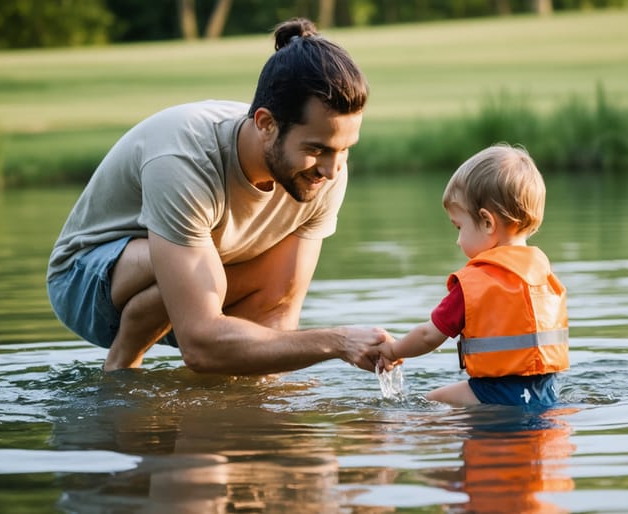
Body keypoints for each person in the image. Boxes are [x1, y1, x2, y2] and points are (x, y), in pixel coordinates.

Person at [47, 18, 390, 374]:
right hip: (86, 285)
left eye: (345, 149)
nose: (333, 169)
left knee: (247, 314)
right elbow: (200, 346)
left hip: (199, 278)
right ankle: (122, 368)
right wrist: (337, 343)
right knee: (207, 272)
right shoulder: (183, 157)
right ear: (265, 124)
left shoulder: (323, 173)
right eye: (318, 149)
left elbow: (278, 310)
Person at [377, 145, 569, 407]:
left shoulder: (474, 283)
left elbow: (427, 336)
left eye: (459, 226)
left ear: (487, 222)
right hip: (546, 392)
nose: (458, 240)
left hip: (494, 392)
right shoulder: (543, 274)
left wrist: (393, 350)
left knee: (425, 405)